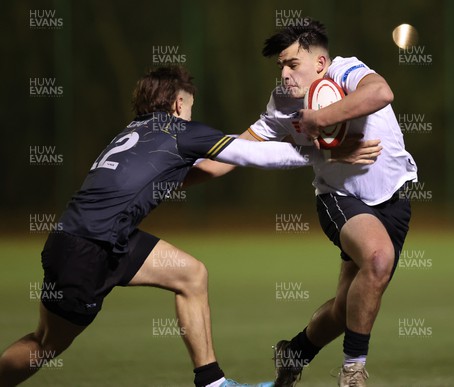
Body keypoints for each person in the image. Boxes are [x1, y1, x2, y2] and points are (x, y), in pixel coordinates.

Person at [0, 66, 379, 387]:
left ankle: (212, 381)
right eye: (190, 104)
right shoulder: (178, 131)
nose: (190, 110)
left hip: (88, 237)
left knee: (191, 274)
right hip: (90, 250)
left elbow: (187, 172)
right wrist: (329, 151)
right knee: (46, 345)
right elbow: (255, 155)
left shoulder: (136, 131)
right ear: (178, 102)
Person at [189, 20, 418, 387]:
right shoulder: (282, 103)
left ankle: (294, 352)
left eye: (292, 64)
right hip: (339, 199)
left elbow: (381, 93)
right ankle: (353, 371)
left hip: (393, 197)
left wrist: (318, 120)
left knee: (347, 309)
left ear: (321, 63)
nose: (284, 74)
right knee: (379, 259)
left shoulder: (347, 71)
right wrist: (179, 178)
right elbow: (238, 150)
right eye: (280, 65)